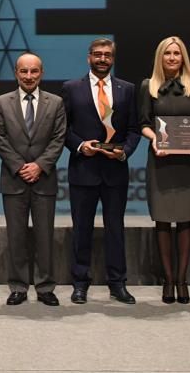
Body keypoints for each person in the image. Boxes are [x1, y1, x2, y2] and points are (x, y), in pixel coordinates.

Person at [61, 38, 140, 304]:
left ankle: (117, 283)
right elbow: (64, 129)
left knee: (115, 229)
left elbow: (134, 129)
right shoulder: (71, 89)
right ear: (88, 58)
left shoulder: (127, 89)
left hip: (115, 170)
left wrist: (125, 151)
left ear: (113, 59)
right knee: (81, 229)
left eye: (107, 55)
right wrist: (81, 146)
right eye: (97, 54)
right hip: (83, 169)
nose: (102, 59)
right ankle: (80, 282)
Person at [0, 52, 67, 306]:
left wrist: (39, 166)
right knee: (16, 236)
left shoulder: (56, 102)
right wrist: (20, 166)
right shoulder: (1, 102)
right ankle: (18, 286)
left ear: (41, 73)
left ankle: (45, 287)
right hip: (14, 180)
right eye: (24, 71)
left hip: (44, 179)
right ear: (16, 73)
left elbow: (59, 139)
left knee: (45, 236)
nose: (29, 76)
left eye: (34, 71)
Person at [137, 36, 190, 304]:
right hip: (161, 159)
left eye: (177, 53)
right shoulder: (149, 86)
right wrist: (154, 138)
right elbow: (143, 122)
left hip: (188, 161)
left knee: (185, 219)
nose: (172, 58)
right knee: (163, 220)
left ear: (183, 57)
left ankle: (182, 280)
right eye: (167, 53)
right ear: (160, 57)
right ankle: (168, 281)